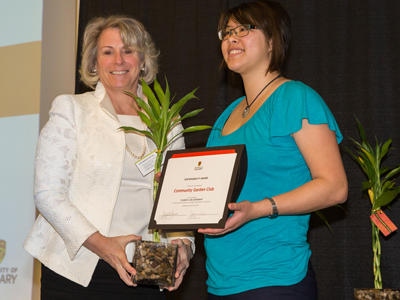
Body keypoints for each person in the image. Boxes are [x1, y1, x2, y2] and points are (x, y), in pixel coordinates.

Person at [24, 15, 194, 300]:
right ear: (94, 62)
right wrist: (102, 244)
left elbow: (180, 195)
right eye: (108, 51)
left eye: (128, 50)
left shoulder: (168, 118)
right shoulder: (72, 109)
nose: (119, 60)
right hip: (77, 269)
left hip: (147, 269)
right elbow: (48, 193)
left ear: (143, 60)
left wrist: (184, 246)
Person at [198, 1, 348, 299]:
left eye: (244, 29)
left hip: (276, 280)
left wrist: (258, 209)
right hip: (219, 283)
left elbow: (334, 188)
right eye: (227, 32)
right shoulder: (225, 116)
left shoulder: (296, 98)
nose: (232, 38)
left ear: (273, 40)